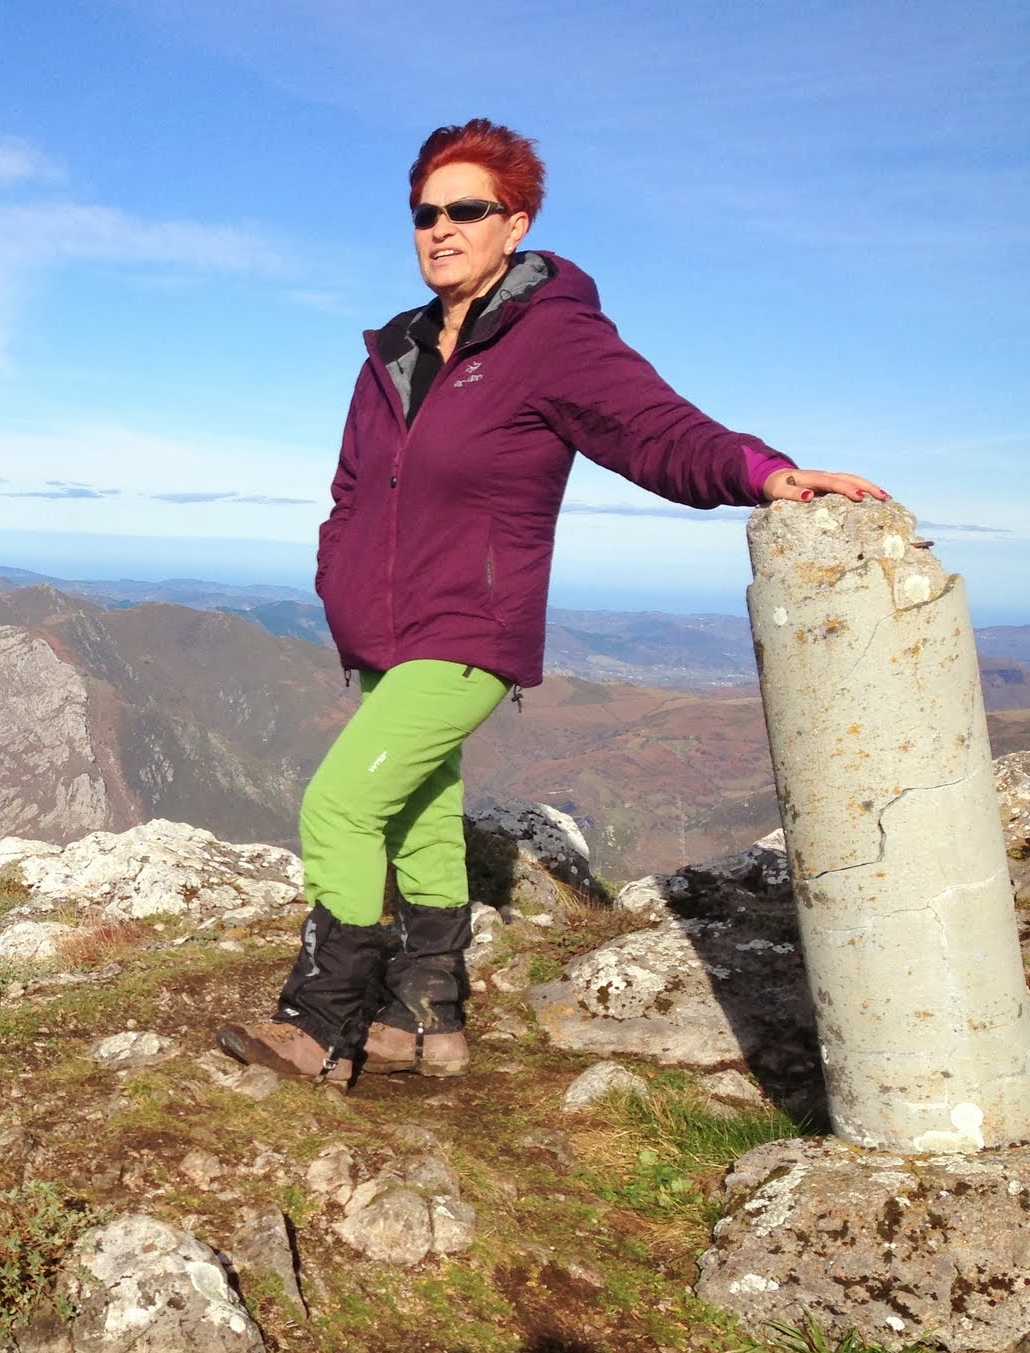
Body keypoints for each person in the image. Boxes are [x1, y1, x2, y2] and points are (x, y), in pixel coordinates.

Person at [219, 118, 884, 1086]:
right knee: (416, 815)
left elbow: (652, 427)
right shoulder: (394, 353)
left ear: (514, 223)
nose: (440, 229)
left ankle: (321, 1025)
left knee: (339, 804)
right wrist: (337, 574)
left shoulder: (550, 337)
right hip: (381, 632)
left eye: (465, 210)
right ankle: (425, 1019)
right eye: (424, 214)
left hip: (467, 631)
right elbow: (352, 488)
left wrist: (761, 471)